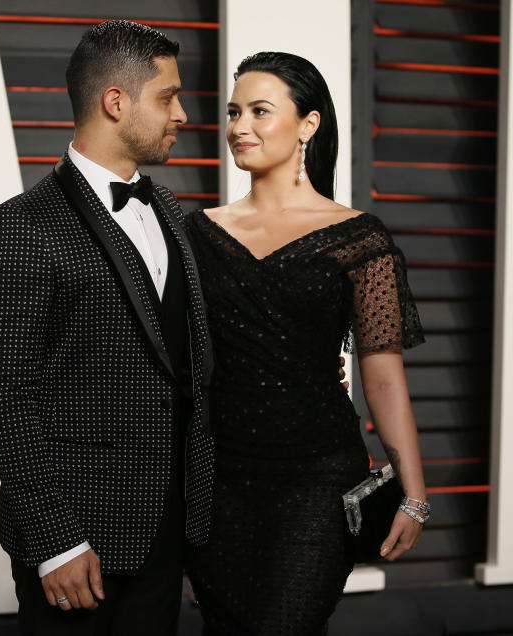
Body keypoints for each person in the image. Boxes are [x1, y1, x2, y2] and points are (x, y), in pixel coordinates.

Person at [0, 20, 215, 635]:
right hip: (76, 542)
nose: (182, 113)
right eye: (167, 96)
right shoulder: (20, 225)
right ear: (116, 101)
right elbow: (6, 395)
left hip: (165, 531)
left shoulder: (167, 207)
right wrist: (55, 538)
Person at [182, 52, 429, 635]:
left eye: (260, 112)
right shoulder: (195, 234)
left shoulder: (360, 239)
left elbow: (384, 376)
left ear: (308, 125)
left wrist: (414, 493)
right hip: (217, 480)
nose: (240, 127)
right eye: (234, 111)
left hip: (318, 478)